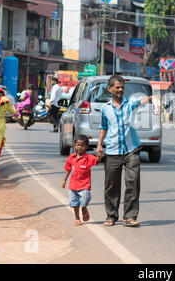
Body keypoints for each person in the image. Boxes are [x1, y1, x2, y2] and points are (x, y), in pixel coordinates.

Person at [96, 75, 156, 228]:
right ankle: (111, 216)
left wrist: (151, 98)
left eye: (122, 87)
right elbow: (104, 127)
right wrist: (99, 145)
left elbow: (141, 101)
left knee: (133, 182)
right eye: (117, 87)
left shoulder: (129, 104)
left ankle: (130, 216)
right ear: (110, 89)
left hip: (131, 150)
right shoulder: (106, 109)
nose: (120, 90)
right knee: (111, 186)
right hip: (112, 150)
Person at [62, 135, 103, 226]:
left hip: (84, 185)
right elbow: (68, 169)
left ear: (86, 147)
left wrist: (99, 156)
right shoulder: (71, 157)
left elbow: (96, 161)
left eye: (82, 145)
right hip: (73, 186)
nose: (80, 147)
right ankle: (77, 218)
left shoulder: (88, 157)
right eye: (78, 145)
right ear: (74, 146)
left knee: (86, 197)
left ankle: (84, 208)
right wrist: (64, 180)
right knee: (75, 203)